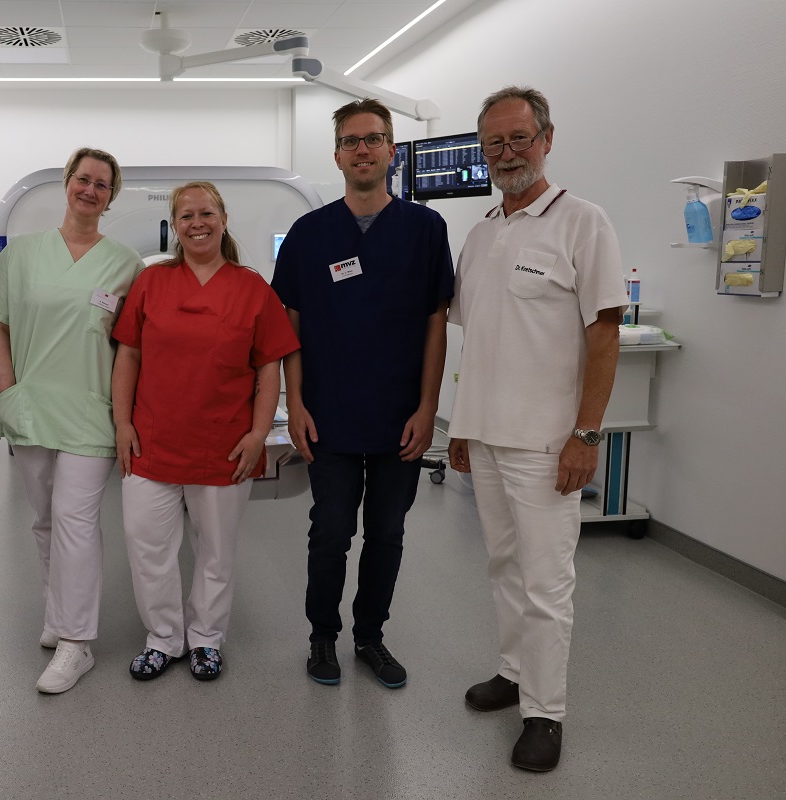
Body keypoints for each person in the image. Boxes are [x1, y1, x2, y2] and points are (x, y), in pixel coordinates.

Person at [448, 86, 627, 772]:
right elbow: (481, 342)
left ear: (547, 139)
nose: (507, 153)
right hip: (487, 436)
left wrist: (587, 435)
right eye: (494, 143)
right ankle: (514, 671)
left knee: (547, 581)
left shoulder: (583, 222)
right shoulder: (484, 232)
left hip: (550, 442)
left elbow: (604, 334)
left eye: (519, 138)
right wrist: (460, 427)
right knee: (502, 566)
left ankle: (545, 713)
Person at [271, 98, 453, 689]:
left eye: (374, 139)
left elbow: (434, 324)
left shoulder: (426, 229)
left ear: (392, 151)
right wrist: (293, 403)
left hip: (401, 416)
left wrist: (428, 410)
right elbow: (289, 328)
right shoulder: (309, 233)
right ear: (337, 155)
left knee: (388, 534)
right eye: (352, 141)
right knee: (329, 533)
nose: (363, 150)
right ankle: (322, 635)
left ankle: (370, 635)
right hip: (329, 415)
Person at [111, 181, 298, 682]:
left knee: (216, 552)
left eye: (206, 213)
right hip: (151, 440)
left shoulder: (251, 287)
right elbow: (127, 353)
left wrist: (259, 433)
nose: (198, 223)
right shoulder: (152, 282)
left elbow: (269, 368)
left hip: (224, 444)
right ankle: (163, 638)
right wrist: (122, 423)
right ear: (176, 225)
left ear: (223, 217)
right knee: (146, 546)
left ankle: (206, 639)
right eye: (187, 215)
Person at [0, 148, 142, 694]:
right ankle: (58, 612)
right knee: (45, 519)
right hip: (32, 409)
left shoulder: (125, 265)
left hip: (93, 412)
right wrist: (7, 394)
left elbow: (134, 347)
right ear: (66, 184)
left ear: (111, 197)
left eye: (102, 184)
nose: (90, 190)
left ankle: (76, 643)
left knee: (75, 520)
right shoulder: (22, 255)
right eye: (83, 179)